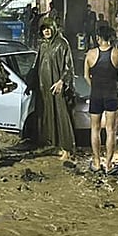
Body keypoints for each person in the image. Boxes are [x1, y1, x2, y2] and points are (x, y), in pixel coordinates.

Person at [28, 17, 75, 161]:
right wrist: (30, 83)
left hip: (57, 87)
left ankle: (67, 148)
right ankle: (55, 146)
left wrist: (61, 81)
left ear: (54, 28)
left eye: (48, 28)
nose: (46, 31)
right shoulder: (42, 45)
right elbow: (36, 66)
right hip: (44, 88)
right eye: (43, 29)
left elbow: (69, 67)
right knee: (48, 117)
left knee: (61, 117)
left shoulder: (62, 44)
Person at [84, 25, 118, 173]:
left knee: (94, 130)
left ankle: (96, 163)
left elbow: (86, 76)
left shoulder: (90, 54)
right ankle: (109, 165)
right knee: (111, 130)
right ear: (110, 37)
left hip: (96, 94)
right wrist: (115, 86)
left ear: (98, 38)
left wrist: (95, 86)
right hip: (111, 94)